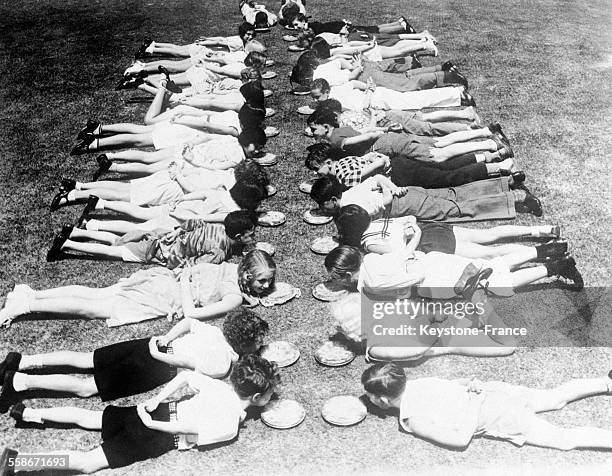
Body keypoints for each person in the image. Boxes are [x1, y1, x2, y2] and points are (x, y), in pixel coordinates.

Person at [0, 355, 279, 474]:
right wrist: (153, 423)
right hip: (158, 432)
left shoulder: (219, 387)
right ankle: (18, 460)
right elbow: (190, 428)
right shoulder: (230, 424)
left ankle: (29, 413)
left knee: (90, 418)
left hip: (156, 409)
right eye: (270, 394)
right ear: (256, 398)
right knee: (88, 463)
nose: (272, 397)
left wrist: (155, 400)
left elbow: (187, 378)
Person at [0, 307, 268, 410]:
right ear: (246, 345)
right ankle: (20, 382)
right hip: (156, 365)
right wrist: (158, 353)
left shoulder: (212, 330)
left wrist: (164, 338)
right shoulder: (223, 363)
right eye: (258, 343)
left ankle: (23, 360)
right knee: (86, 388)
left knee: (86, 359)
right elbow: (186, 365)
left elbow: (188, 322)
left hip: (153, 343)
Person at [362, 362, 612, 451]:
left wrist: (474, 401)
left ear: (383, 400)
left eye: (370, 397)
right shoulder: (417, 383)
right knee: (555, 398)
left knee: (564, 439)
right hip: (498, 392)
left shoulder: (412, 419)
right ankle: (606, 382)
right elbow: (450, 384)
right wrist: (469, 385)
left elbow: (460, 440)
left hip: (499, 415)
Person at [0, 249, 277, 328]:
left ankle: (31, 294)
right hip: (162, 294)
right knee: (92, 307)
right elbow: (192, 313)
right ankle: (25, 304)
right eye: (262, 280)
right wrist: (183, 287)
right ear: (247, 273)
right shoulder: (231, 297)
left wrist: (183, 277)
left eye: (268, 282)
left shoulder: (229, 268)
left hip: (162, 282)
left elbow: (193, 269)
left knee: (96, 294)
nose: (265, 286)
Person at [324, 244, 583, 300]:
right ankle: (546, 249)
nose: (335, 283)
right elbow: (402, 253)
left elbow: (411, 279)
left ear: (345, 274)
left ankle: (556, 267)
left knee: (497, 284)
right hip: (434, 260)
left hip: (436, 279)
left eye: (335, 278)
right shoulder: (371, 259)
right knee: (491, 265)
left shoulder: (371, 283)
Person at [331, 292, 516, 361]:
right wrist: (434, 323)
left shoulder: (379, 335)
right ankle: (479, 302)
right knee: (507, 346)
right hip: (444, 338)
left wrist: (433, 317)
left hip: (443, 330)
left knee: (500, 340)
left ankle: (478, 303)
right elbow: (417, 349)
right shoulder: (377, 349)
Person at [336, 204, 563, 260]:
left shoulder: (368, 243)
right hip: (433, 229)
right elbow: (410, 218)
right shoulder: (377, 220)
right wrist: (409, 228)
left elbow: (401, 253)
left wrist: (409, 233)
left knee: (489, 254)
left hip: (430, 243)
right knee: (489, 235)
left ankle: (542, 250)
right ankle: (543, 230)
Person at [46, 210, 258, 266]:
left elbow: (195, 222)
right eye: (251, 233)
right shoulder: (219, 252)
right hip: (159, 251)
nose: (254, 236)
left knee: (120, 238)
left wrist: (177, 230)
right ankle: (67, 243)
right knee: (114, 250)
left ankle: (76, 232)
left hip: (162, 235)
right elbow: (194, 265)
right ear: (238, 236)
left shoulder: (218, 226)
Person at [307, 108, 512, 164]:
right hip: (387, 139)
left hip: (386, 145)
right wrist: (379, 127)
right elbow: (368, 131)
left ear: (325, 127)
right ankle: (485, 132)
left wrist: (381, 132)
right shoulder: (342, 127)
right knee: (439, 142)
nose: (312, 134)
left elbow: (357, 140)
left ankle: (490, 144)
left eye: (314, 129)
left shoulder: (335, 140)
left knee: (438, 155)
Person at [310, 175, 543, 222]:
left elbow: (386, 203)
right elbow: (379, 178)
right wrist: (393, 187)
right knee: (455, 192)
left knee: (457, 209)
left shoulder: (353, 207)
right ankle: (506, 182)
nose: (322, 209)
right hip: (408, 189)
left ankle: (518, 197)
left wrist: (391, 193)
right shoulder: (351, 192)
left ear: (332, 199)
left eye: (322, 205)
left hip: (405, 203)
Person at [308, 77, 482, 136]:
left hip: (378, 103)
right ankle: (460, 101)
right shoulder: (338, 88)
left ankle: (457, 94)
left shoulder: (336, 102)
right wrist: (367, 87)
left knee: (417, 102)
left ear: (325, 91)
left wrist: (368, 91)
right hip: (379, 97)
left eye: (317, 97)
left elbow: (363, 107)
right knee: (418, 107)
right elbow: (354, 82)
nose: (316, 101)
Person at [305, 142, 519, 189]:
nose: (317, 174)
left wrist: (378, 163)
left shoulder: (340, 176)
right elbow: (370, 158)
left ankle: (502, 168)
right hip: (400, 163)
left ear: (328, 162)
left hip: (399, 174)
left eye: (317, 169)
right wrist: (378, 159)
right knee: (444, 168)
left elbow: (363, 172)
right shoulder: (344, 160)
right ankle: (492, 156)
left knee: (448, 179)